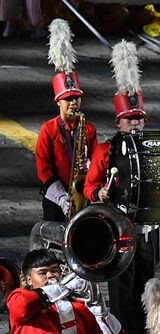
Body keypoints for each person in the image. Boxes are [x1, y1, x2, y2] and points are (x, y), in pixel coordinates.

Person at [85, 40, 160, 334]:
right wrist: (99, 195)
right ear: (118, 123)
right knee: (122, 290)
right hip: (119, 230)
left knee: (147, 287)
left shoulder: (157, 149)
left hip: (148, 229)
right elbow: (90, 186)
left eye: (139, 119)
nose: (136, 125)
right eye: (130, 120)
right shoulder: (105, 151)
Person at [36, 22, 97, 222]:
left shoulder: (88, 129)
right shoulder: (48, 130)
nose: (73, 103)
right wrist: (62, 198)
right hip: (56, 197)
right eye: (68, 99)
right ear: (58, 102)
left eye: (76, 98)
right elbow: (44, 170)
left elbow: (97, 161)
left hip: (83, 195)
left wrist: (89, 164)